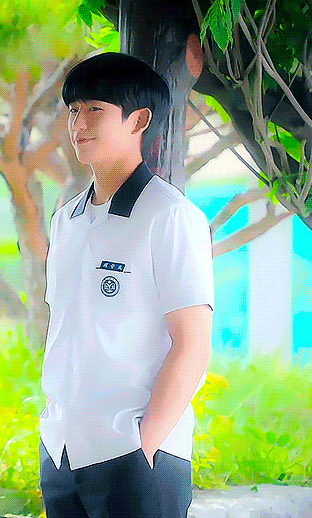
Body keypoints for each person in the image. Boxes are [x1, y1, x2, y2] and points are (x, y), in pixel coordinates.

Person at [40, 53, 214, 517]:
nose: (79, 123)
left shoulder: (170, 216)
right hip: (61, 450)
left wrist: (145, 443)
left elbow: (192, 344)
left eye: (95, 109)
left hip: (134, 454)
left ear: (138, 121)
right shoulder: (66, 220)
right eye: (74, 110)